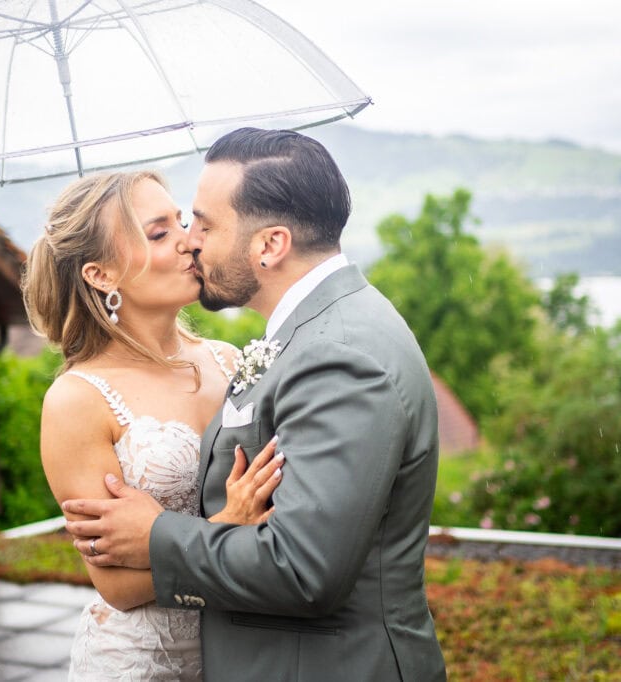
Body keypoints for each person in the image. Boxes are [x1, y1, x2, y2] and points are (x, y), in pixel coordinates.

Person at [62, 128, 447, 681]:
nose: (190, 241)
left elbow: (302, 570)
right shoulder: (310, 332)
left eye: (204, 223)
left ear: (270, 245)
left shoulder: (338, 355)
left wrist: (155, 536)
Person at [21, 170, 284, 681]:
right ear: (101, 274)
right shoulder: (77, 400)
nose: (191, 242)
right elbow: (117, 587)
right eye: (160, 233)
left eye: (182, 222)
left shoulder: (230, 363)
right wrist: (225, 527)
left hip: (239, 650)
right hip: (140, 662)